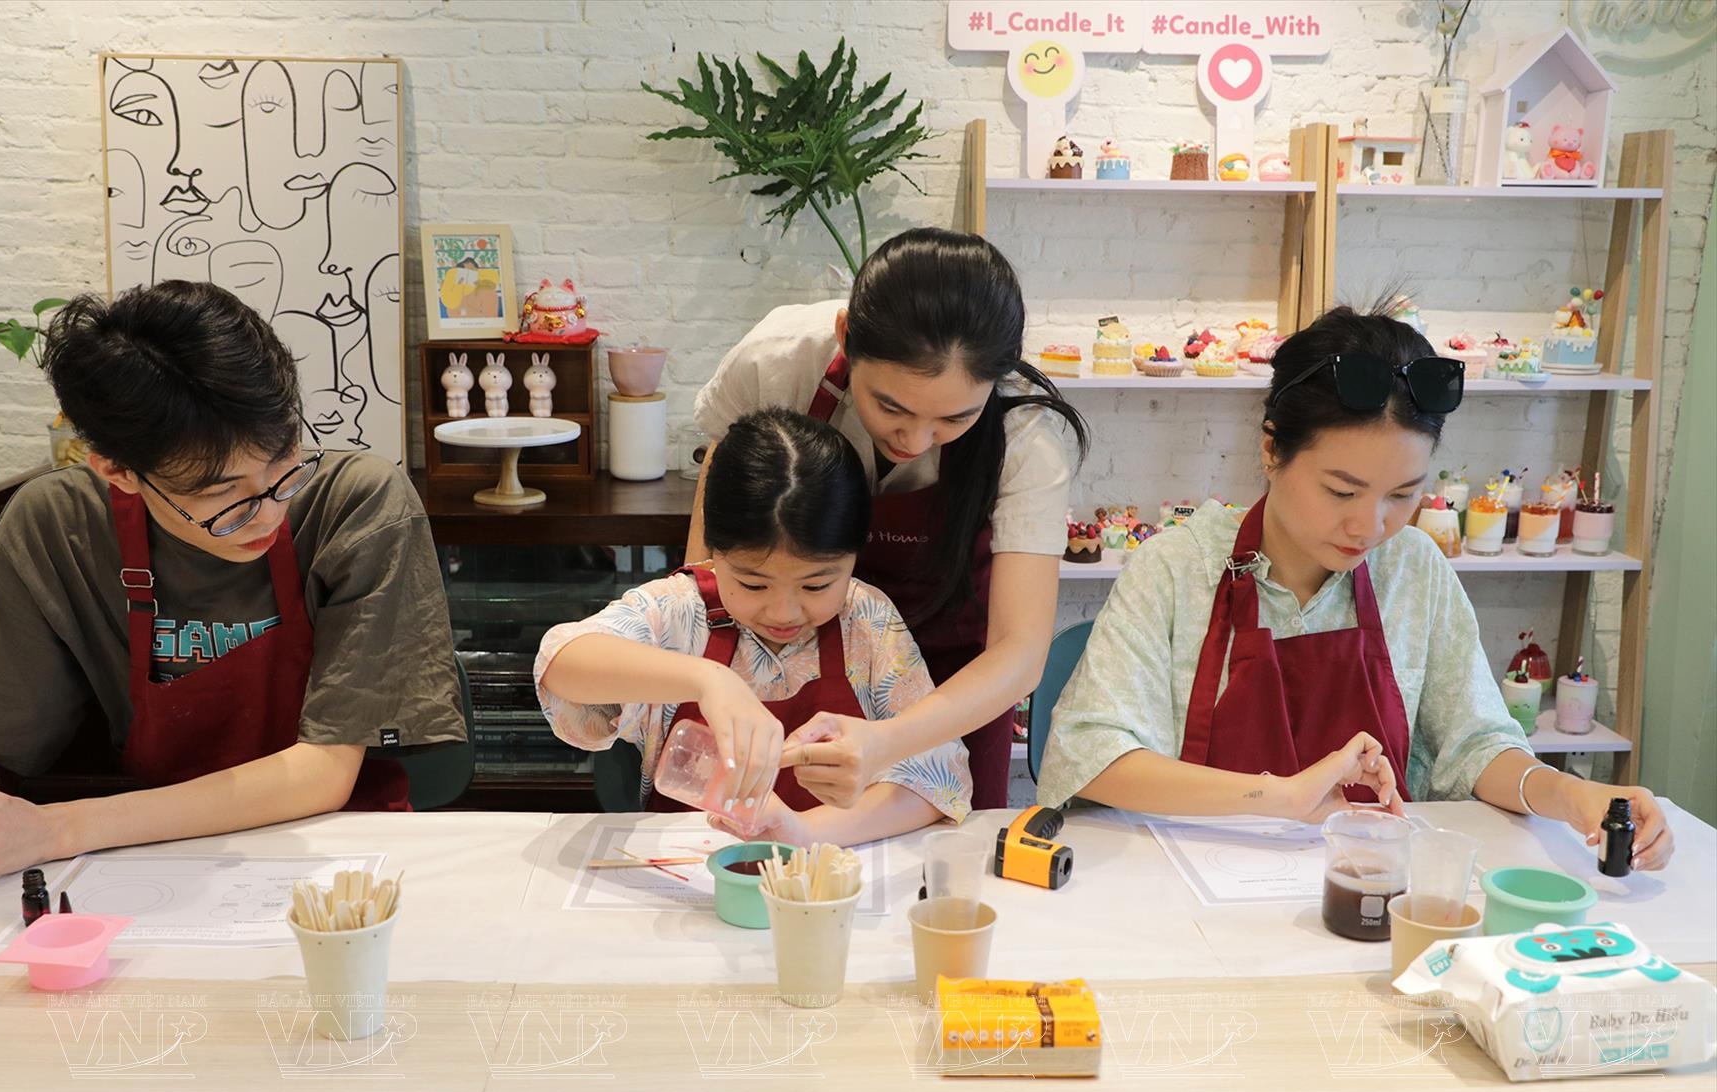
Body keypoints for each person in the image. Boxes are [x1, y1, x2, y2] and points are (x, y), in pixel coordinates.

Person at [0, 281, 465, 903]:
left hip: (332, 866)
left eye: (283, 463)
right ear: (115, 469)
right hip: (132, 872)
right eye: (221, 497)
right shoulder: (57, 525)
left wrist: (54, 831)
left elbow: (325, 770)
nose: (267, 511)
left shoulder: (357, 503)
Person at [1039, 302, 1674, 871]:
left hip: (1370, 876)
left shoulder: (1413, 568)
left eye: (1403, 495)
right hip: (1196, 882)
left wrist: (1569, 794)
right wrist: (1280, 798)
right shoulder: (1178, 568)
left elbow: (1474, 743)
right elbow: (1093, 754)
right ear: (1271, 450)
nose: (1370, 526)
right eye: (1341, 491)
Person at [689, 228, 1089, 809]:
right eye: (890, 406)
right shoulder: (775, 360)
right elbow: (722, 501)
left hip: (955, 678)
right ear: (846, 337)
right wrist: (708, 641)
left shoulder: (1028, 436)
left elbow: (1020, 650)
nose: (914, 439)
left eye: (954, 419)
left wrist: (888, 740)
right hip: (794, 643)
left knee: (937, 863)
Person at [537, 407, 969, 846]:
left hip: (827, 873)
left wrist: (802, 832)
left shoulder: (866, 620)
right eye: (753, 583)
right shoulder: (681, 614)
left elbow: (936, 779)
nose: (783, 612)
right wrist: (709, 680)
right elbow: (560, 664)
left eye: (817, 584)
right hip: (691, 873)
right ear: (714, 554)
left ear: (854, 559)